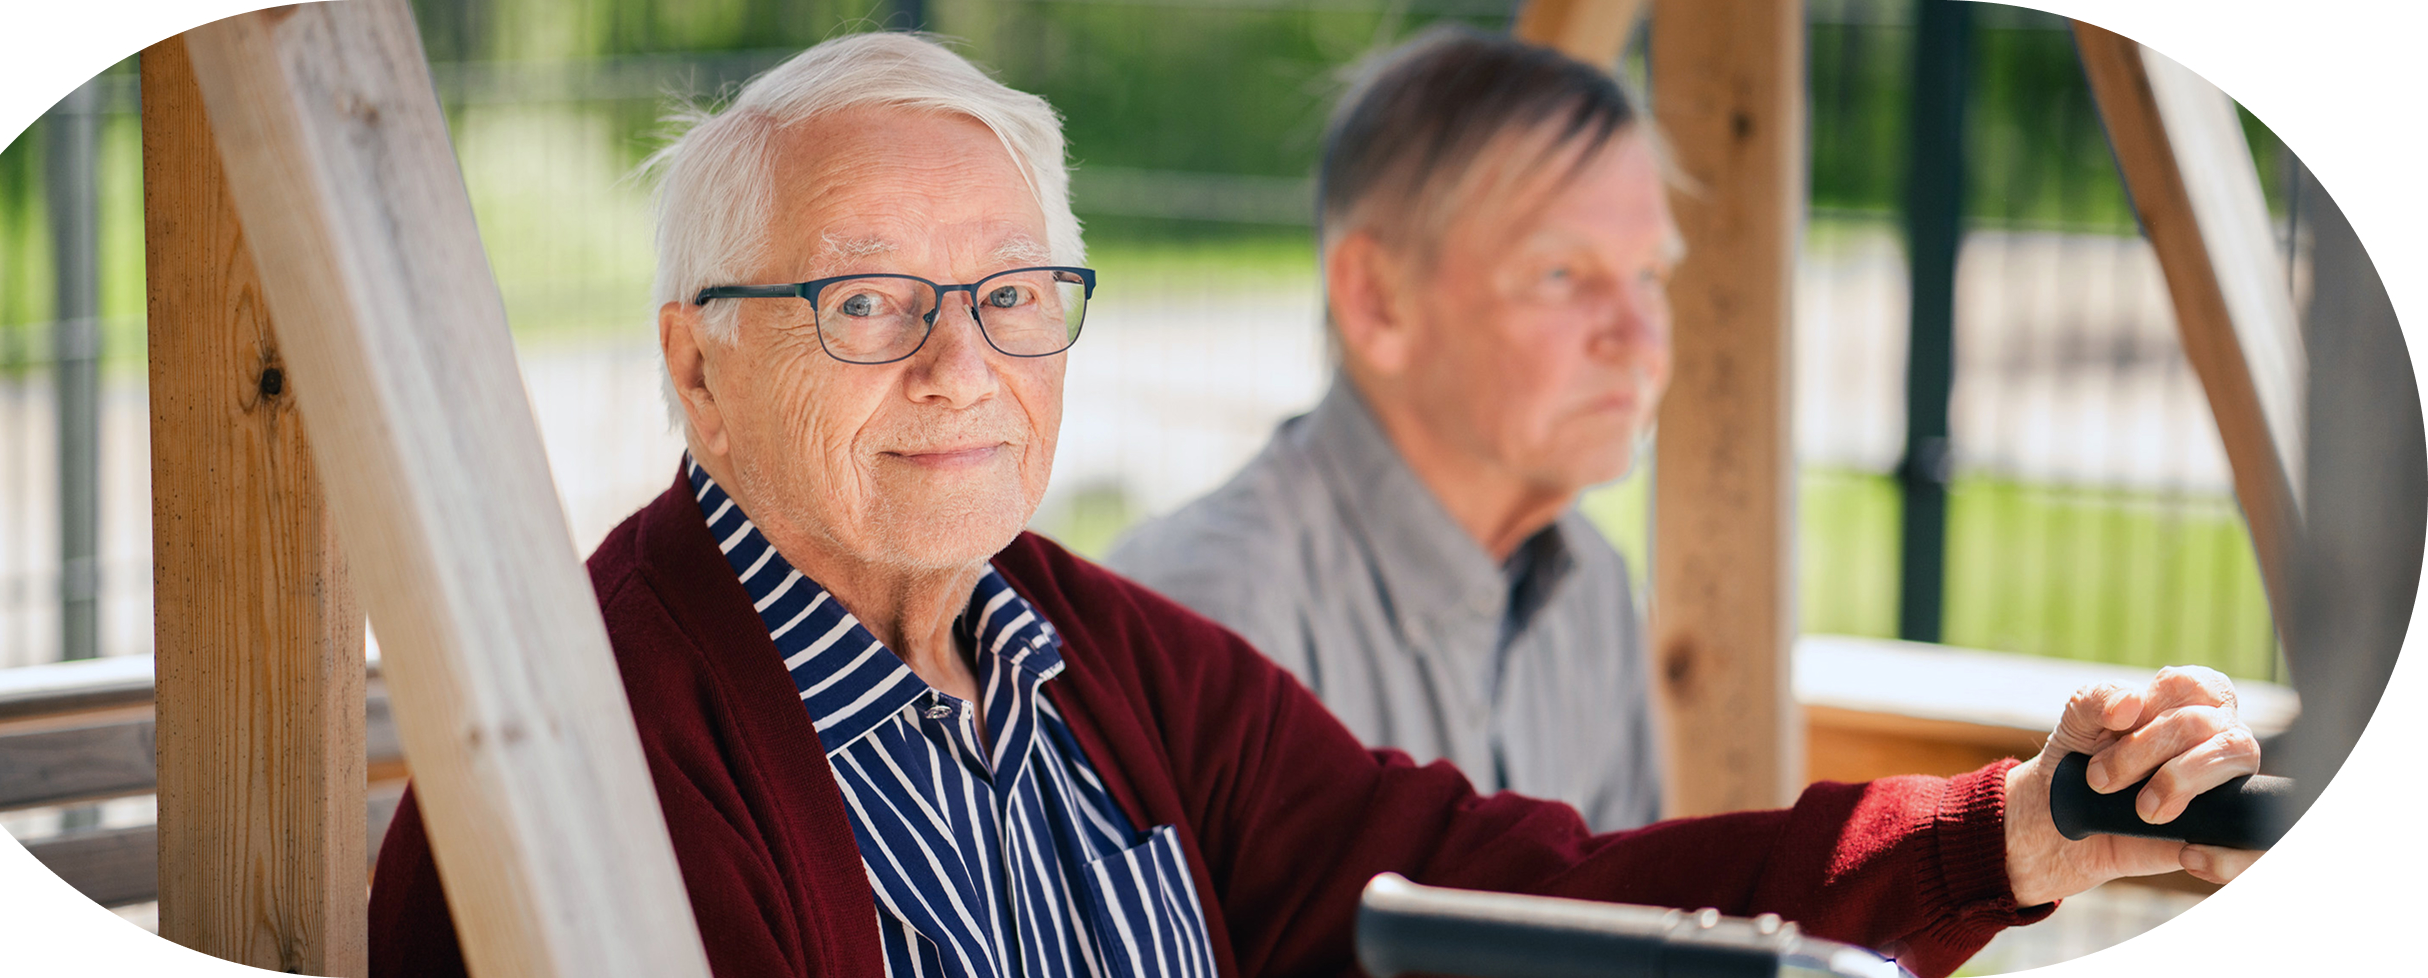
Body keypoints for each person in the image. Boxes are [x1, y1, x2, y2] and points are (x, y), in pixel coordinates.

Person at [367, 31, 2266, 978]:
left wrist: (2003, 832)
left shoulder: (1086, 644)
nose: (962, 368)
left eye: (1017, 295)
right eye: (867, 302)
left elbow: (1486, 882)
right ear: (699, 363)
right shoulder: (604, 716)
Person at [1107, 27, 1671, 829]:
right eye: (1561, 275)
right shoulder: (1211, 622)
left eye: (1651, 276)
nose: (1640, 339)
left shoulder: (1593, 587)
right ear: (1377, 300)